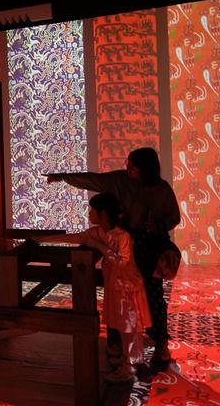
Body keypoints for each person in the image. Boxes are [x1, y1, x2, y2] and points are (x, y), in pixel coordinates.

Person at [44, 147, 180, 370]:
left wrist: (157, 225)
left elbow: (174, 218)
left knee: (152, 295)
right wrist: (62, 177)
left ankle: (160, 343)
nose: (128, 168)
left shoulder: (162, 190)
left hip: (149, 249)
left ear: (146, 169)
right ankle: (116, 344)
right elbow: (92, 180)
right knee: (117, 296)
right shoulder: (119, 180)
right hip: (125, 244)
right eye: (128, 164)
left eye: (133, 166)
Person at [38, 192, 151, 383]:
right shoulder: (97, 233)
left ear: (103, 214)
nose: (89, 213)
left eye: (92, 210)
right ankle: (131, 361)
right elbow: (75, 238)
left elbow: (123, 263)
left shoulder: (123, 236)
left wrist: (100, 247)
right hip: (115, 287)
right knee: (124, 326)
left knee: (130, 327)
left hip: (128, 287)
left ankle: (131, 365)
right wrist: (42, 239)